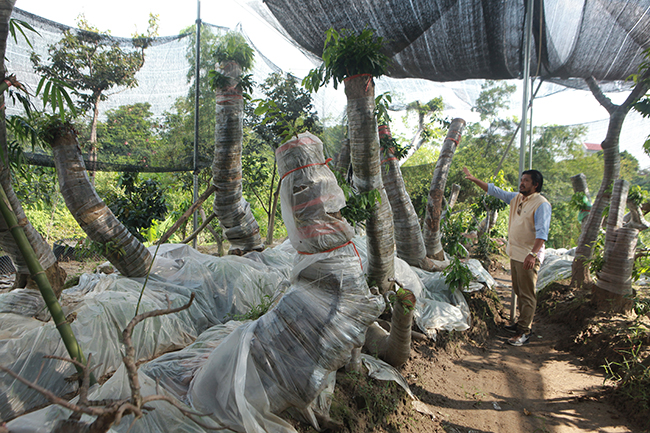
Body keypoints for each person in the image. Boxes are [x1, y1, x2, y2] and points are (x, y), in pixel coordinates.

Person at [463, 167, 551, 346]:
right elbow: (495, 191)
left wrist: (533, 254)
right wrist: (474, 179)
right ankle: (520, 324)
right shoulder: (517, 198)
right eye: (522, 179)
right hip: (516, 254)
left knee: (527, 294)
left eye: (526, 181)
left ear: (535, 185)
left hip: (528, 256)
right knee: (519, 291)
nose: (522, 183)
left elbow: (542, 233)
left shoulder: (541, 204)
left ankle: (524, 332)